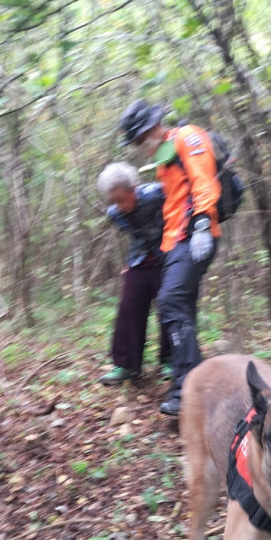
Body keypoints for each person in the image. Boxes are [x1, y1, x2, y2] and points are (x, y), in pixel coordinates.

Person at [119, 99, 221, 416]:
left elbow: (203, 179)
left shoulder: (186, 137)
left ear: (151, 128)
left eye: (139, 139)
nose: (139, 147)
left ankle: (189, 389)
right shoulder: (165, 159)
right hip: (176, 244)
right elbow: (174, 204)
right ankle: (189, 386)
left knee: (170, 302)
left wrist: (203, 221)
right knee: (180, 310)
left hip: (194, 237)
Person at [96, 161, 171, 385]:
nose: (119, 206)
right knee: (129, 308)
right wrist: (129, 263)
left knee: (170, 306)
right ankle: (126, 365)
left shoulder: (157, 194)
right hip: (139, 261)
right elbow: (136, 236)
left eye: (122, 199)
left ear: (134, 189)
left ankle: (171, 360)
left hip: (168, 258)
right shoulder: (114, 214)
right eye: (113, 201)